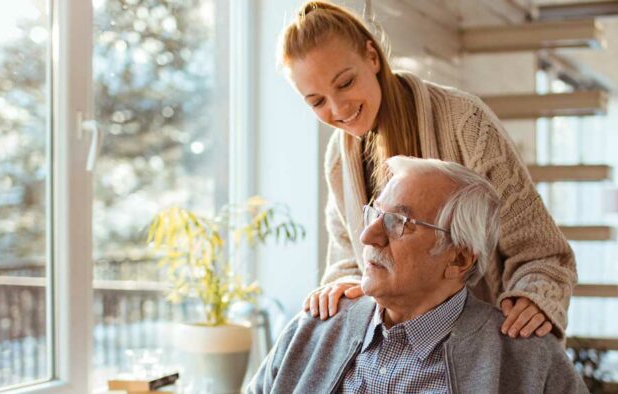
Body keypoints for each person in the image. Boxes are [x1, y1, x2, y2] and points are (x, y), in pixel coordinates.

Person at [279, 1, 577, 338]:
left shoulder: (466, 123)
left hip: (483, 350)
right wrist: (346, 283)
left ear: (372, 57)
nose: (338, 108)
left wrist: (534, 299)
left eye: (345, 83)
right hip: (395, 357)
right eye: (317, 101)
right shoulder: (338, 156)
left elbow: (541, 250)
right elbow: (348, 256)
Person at [247, 157, 587, 393]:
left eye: (399, 223)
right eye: (375, 215)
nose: (368, 237)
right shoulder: (314, 329)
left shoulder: (528, 360)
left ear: (459, 258)